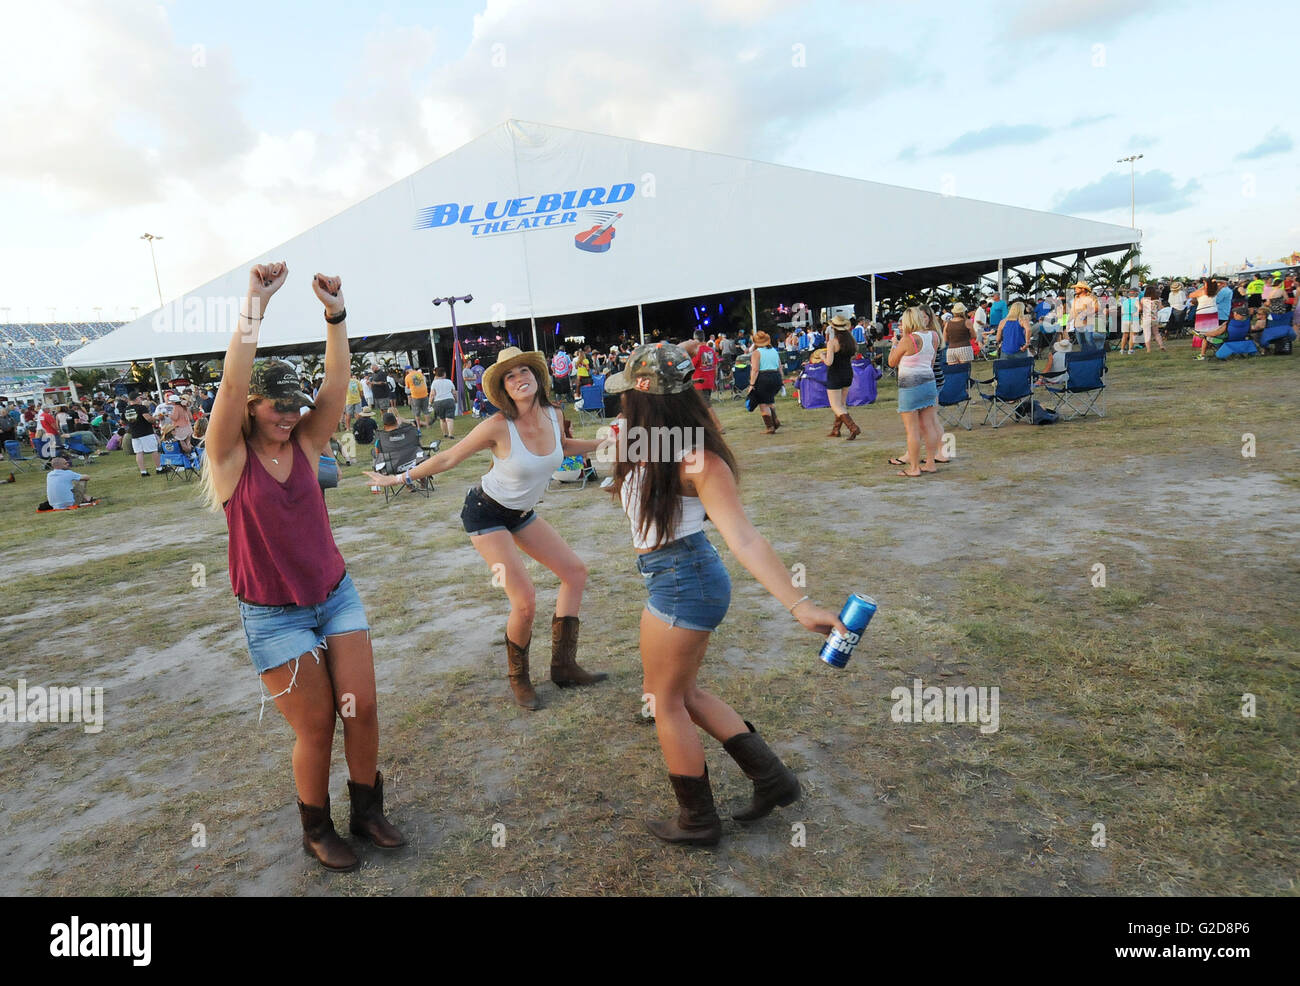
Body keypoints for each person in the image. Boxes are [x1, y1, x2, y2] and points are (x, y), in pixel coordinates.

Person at [198, 264, 405, 872]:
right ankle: (316, 828)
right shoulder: (229, 456)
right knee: (317, 727)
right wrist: (255, 304)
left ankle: (367, 810)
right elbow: (231, 386)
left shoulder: (308, 444)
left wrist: (335, 314)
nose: (288, 417)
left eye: (295, 408)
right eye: (276, 408)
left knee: (360, 709)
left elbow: (337, 383)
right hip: (273, 615)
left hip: (335, 595)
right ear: (252, 406)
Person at [603, 341, 846, 846]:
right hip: (677, 577)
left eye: (627, 394)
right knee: (684, 693)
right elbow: (607, 453)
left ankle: (697, 820)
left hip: (683, 580)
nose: (620, 403)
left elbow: (744, 537)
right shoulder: (643, 438)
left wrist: (799, 605)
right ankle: (772, 780)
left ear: (644, 396)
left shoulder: (698, 460)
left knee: (663, 699)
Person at [365, 346, 608, 709]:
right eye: (510, 376)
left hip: (521, 513)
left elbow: (563, 445)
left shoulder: (553, 414)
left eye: (524, 371)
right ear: (504, 388)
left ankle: (564, 667)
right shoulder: (497, 425)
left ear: (536, 377)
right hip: (485, 514)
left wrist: (606, 444)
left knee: (575, 572)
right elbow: (448, 457)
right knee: (524, 602)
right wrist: (397, 478)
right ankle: (519, 678)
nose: (519, 378)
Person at [887, 307, 944, 478]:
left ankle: (914, 467)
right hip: (929, 382)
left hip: (910, 386)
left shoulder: (908, 339)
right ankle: (930, 463)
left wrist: (894, 345)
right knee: (929, 426)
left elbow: (891, 362)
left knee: (912, 430)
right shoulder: (934, 336)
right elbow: (931, 362)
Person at [823, 314, 860, 439]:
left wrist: (822, 356)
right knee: (841, 404)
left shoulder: (832, 343)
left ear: (833, 328)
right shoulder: (851, 341)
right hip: (847, 373)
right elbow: (853, 356)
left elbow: (829, 362)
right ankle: (836, 430)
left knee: (835, 405)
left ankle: (853, 427)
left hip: (835, 374)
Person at [745, 330, 783, 434]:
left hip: (764, 378)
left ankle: (770, 427)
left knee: (763, 403)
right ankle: (775, 420)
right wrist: (781, 379)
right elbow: (780, 366)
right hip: (776, 377)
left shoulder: (757, 353)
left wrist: (752, 384)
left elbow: (755, 369)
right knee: (769, 400)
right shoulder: (774, 351)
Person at [124, 393, 162, 475]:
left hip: (134, 433)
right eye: (140, 398)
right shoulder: (141, 407)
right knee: (154, 450)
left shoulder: (126, 409)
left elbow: (122, 421)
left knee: (139, 452)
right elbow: (148, 418)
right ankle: (159, 468)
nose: (141, 399)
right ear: (136, 399)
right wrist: (155, 419)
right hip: (146, 432)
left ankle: (143, 471)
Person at [690, 329, 718, 404]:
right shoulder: (711, 351)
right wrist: (714, 381)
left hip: (699, 383)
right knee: (706, 405)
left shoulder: (696, 351)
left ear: (695, 339)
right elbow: (715, 368)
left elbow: (691, 367)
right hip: (709, 382)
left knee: (703, 408)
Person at [1070, 282, 1100, 351]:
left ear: (1083, 289)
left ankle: (1094, 356)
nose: (1075, 289)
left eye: (1077, 288)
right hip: (1077, 323)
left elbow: (1096, 308)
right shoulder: (1075, 299)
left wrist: (1086, 313)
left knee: (1089, 340)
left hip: (1088, 322)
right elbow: (1073, 311)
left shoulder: (1091, 297)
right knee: (1081, 343)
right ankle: (1086, 358)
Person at [430, 367, 457, 440]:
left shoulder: (434, 383)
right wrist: (456, 400)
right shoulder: (449, 381)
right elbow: (454, 393)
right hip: (449, 400)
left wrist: (430, 402)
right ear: (444, 374)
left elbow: (432, 394)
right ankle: (451, 434)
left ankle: (445, 434)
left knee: (442, 419)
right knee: (449, 419)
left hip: (438, 402)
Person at [1139, 283, 1166, 353]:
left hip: (1146, 318)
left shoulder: (1143, 299)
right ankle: (1161, 345)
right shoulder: (1158, 300)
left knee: (1147, 334)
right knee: (1156, 333)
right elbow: (1160, 308)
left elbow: (1141, 309)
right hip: (1154, 318)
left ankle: (1148, 349)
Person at [404, 366, 430, 430]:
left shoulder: (407, 377)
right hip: (424, 394)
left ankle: (418, 426)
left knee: (417, 411)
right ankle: (428, 425)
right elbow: (423, 381)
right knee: (426, 410)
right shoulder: (419, 374)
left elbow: (408, 387)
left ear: (407, 371)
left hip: (415, 396)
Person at [1119, 288, 1139, 355]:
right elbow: (1140, 308)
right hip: (1134, 319)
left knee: (1124, 335)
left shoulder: (1124, 302)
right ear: (1135, 293)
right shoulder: (1136, 301)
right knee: (1132, 335)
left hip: (1125, 318)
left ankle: (1122, 350)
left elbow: (1122, 311)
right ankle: (1130, 350)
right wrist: (1137, 312)